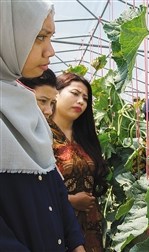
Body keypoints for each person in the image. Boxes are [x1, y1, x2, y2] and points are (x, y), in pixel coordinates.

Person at [0, 1, 85, 251]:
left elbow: (54, 187)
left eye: (50, 37)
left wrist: (76, 242)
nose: (51, 51)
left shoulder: (24, 103)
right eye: (40, 37)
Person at [49, 72, 109, 251]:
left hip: (91, 225)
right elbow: (32, 185)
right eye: (75, 93)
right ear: (56, 93)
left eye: (85, 98)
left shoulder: (84, 137)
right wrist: (69, 201)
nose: (81, 101)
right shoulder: (42, 133)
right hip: (57, 223)